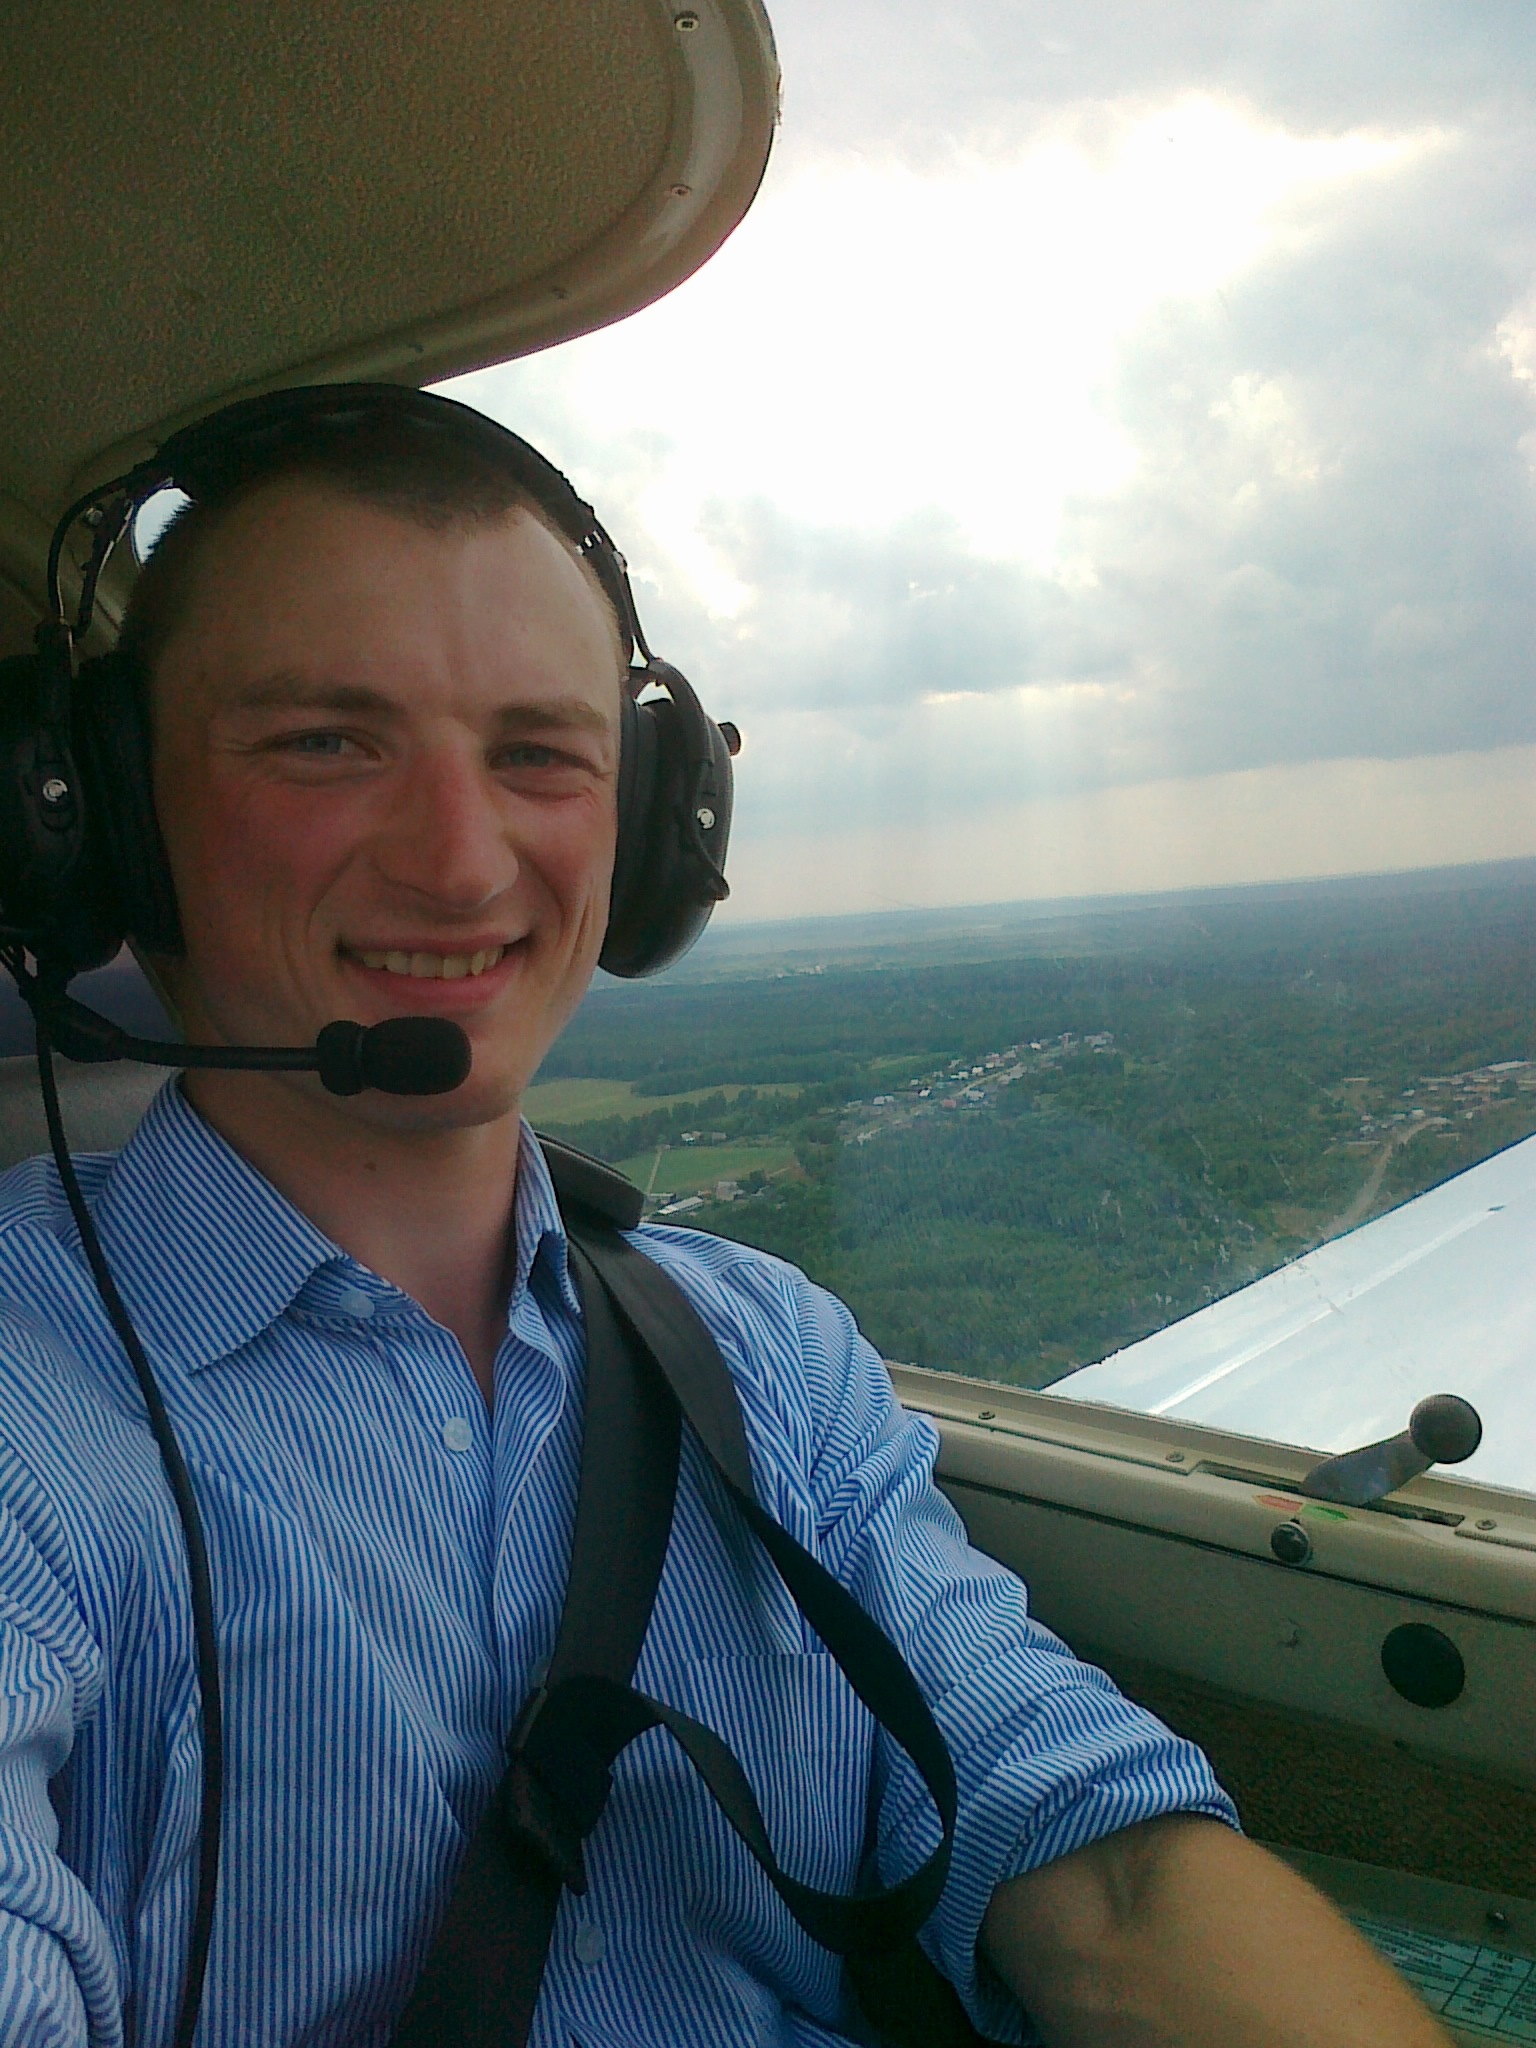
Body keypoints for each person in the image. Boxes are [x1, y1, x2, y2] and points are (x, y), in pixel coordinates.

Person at [0, 391, 1451, 2047]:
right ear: (101, 821)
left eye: (539, 754)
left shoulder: (768, 1354)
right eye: (326, 741)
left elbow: (1108, 1884)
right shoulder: (31, 1409)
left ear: (647, 826)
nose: (462, 863)